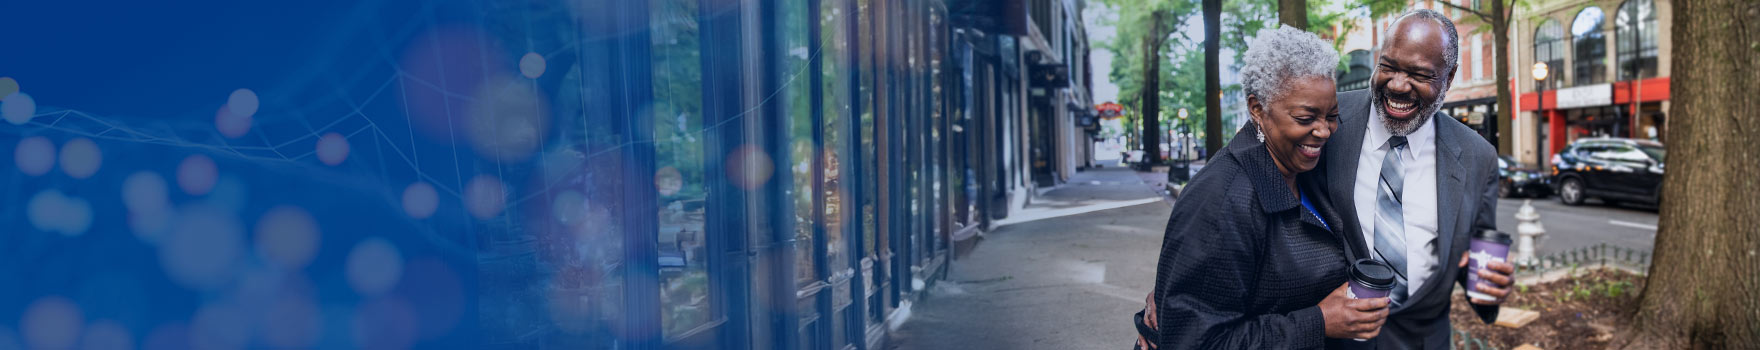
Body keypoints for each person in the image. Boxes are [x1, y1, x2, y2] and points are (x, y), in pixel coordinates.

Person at [1133, 26, 1389, 349]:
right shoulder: (1221, 200)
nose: (1324, 131)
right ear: (1257, 109)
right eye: (1306, 117)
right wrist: (1319, 321)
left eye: (1331, 115)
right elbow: (1198, 341)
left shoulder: (1305, 167)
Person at [1316, 9, 1516, 349]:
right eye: (1388, 66)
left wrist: (1489, 283)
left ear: (1449, 79)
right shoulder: (1328, 121)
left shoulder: (1478, 157)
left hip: (1424, 342)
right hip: (1333, 341)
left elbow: (1473, 264)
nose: (1396, 85)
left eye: (1419, 74)